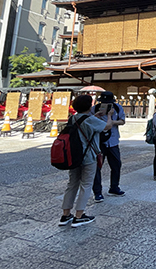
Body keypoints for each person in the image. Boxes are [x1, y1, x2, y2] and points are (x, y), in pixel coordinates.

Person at [59, 94, 113, 228]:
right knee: (86, 185)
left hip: (73, 156)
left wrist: (95, 117)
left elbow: (83, 125)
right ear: (89, 106)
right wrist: (110, 115)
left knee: (72, 184)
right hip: (88, 156)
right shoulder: (90, 119)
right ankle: (79, 215)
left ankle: (65, 214)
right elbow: (107, 126)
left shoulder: (73, 118)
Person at [92, 91, 126, 202]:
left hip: (113, 141)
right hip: (99, 141)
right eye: (104, 102)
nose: (105, 104)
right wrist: (98, 116)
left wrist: (111, 119)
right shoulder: (95, 108)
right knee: (97, 167)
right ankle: (97, 192)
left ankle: (114, 187)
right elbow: (90, 121)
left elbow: (122, 121)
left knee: (116, 164)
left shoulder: (117, 108)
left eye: (108, 102)